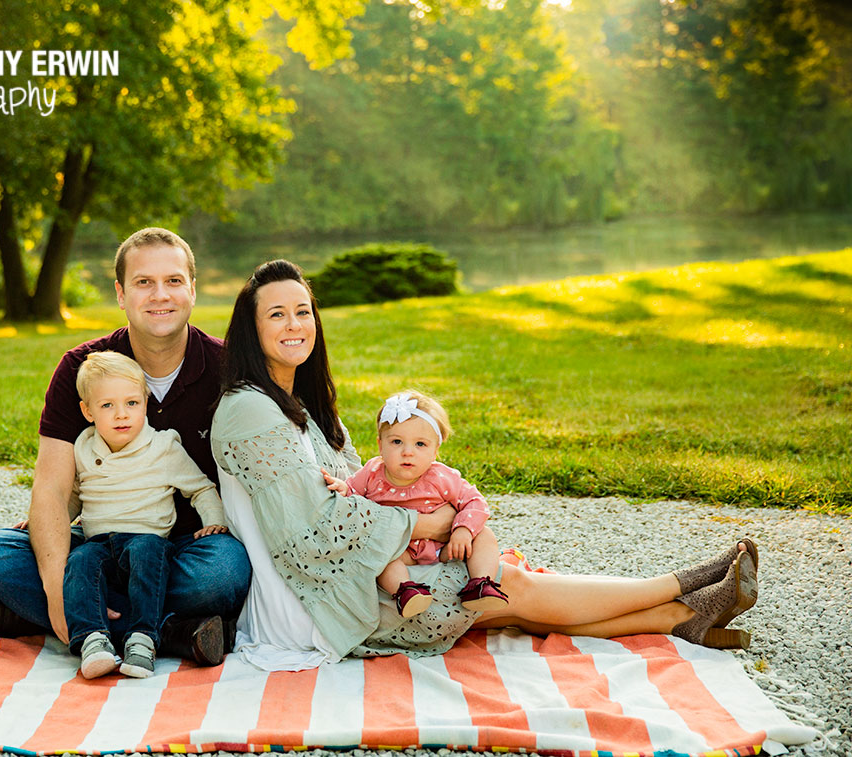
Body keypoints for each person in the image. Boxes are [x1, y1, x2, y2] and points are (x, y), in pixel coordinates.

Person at [209, 259, 758, 671]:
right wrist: (430, 525)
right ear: (251, 329)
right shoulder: (248, 410)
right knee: (509, 584)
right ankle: (683, 584)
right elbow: (312, 532)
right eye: (276, 314)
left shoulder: (303, 404)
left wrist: (434, 519)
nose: (294, 323)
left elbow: (360, 493)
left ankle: (684, 618)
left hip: (363, 570)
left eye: (302, 311)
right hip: (313, 604)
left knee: (504, 603)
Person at [0, 228, 251, 666]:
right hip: (99, 541)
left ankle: (41, 615)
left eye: (174, 281)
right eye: (143, 282)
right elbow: (54, 489)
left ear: (192, 289)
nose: (161, 295)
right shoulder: (82, 368)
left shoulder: (230, 368)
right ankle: (173, 632)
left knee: (225, 572)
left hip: (181, 547)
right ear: (120, 293)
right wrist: (54, 580)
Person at [66, 351, 228, 679]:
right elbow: (72, 496)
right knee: (78, 560)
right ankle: (92, 640)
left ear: (145, 401)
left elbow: (201, 488)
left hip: (148, 542)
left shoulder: (163, 447)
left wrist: (214, 520)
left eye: (131, 403)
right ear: (87, 411)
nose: (121, 415)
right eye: (107, 406)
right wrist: (48, 520)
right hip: (98, 543)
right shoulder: (83, 447)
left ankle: (142, 639)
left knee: (206, 568)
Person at [323, 390, 507, 618]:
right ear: (381, 445)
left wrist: (462, 530)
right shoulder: (372, 473)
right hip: (401, 550)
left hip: (442, 548)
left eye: (420, 444)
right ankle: (406, 591)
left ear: (435, 450)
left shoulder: (441, 477)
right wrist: (343, 488)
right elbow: (352, 491)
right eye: (397, 441)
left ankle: (481, 584)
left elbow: (475, 502)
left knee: (484, 535)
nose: (407, 452)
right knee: (381, 558)